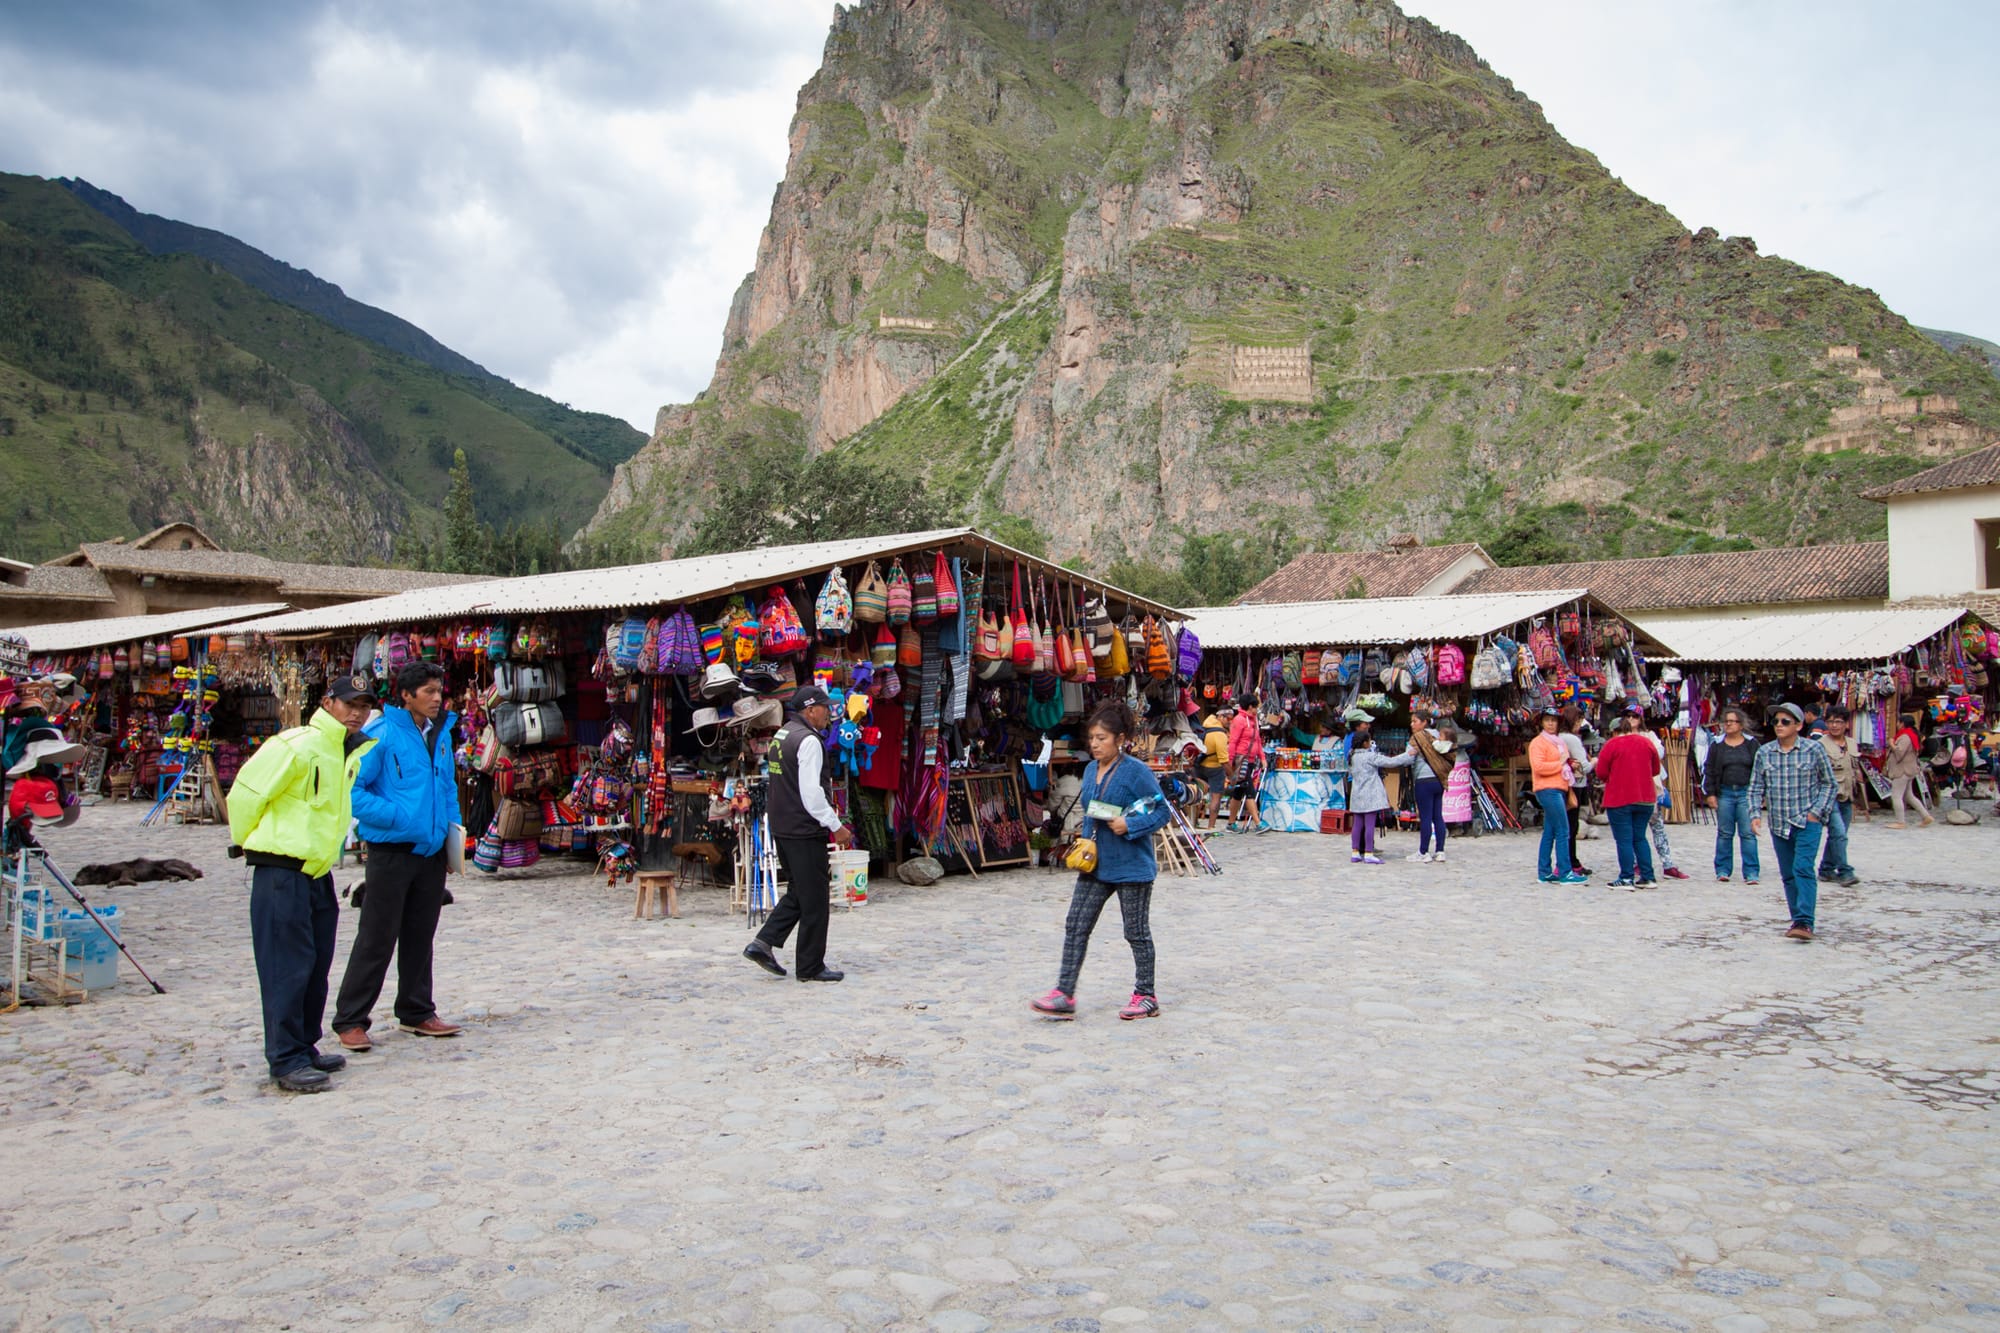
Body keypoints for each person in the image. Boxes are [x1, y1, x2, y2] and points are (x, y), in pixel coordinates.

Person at [225, 671, 377, 1093]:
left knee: (314, 966)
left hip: (317, 872)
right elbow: (245, 795)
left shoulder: (344, 753)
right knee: (285, 968)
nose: (357, 714)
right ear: (329, 703)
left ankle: (303, 1045)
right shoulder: (295, 745)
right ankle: (285, 1057)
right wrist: (255, 844)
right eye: (350, 704)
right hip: (281, 869)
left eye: (364, 707)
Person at [332, 662, 464, 1050]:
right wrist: (398, 817)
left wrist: (452, 835)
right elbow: (353, 790)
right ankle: (351, 1019)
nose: (437, 698)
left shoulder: (440, 734)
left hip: (430, 852)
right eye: (428, 691)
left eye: (439, 691)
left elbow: (447, 788)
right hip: (391, 851)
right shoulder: (381, 734)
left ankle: (417, 1010)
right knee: (377, 936)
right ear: (406, 696)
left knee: (421, 936)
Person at [1032, 700, 1173, 1020]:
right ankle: (1064, 993)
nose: (1095, 744)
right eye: (1092, 738)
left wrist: (1131, 824)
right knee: (1076, 924)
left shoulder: (1137, 772)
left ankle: (1145, 995)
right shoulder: (1091, 769)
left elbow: (1161, 810)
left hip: (1132, 866)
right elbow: (1093, 808)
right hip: (1097, 864)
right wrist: (1085, 838)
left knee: (1135, 931)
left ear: (1120, 739)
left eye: (1102, 738)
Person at [743, 686, 854, 982]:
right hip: (804, 829)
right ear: (811, 710)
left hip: (782, 825)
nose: (829, 713)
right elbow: (811, 794)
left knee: (799, 890)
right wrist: (836, 826)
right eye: (824, 707)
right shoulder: (808, 741)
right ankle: (810, 966)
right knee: (815, 898)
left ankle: (762, 943)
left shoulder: (783, 735)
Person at [1747, 702, 1838, 942]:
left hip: (1806, 821)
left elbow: (1829, 783)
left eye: (1785, 722)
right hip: (1779, 822)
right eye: (1776, 721)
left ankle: (1805, 921)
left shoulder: (1813, 750)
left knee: (1803, 868)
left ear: (1798, 725)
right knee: (1788, 873)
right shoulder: (1764, 752)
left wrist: (1816, 812)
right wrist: (1754, 814)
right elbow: (1756, 786)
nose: (1779, 725)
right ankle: (1796, 917)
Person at [1596, 715, 1663, 888]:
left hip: (1620, 798)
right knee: (1639, 837)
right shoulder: (1646, 742)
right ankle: (1648, 876)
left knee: (1624, 839)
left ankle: (1626, 877)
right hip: (1645, 798)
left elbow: (1601, 772)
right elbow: (1655, 769)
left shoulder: (1611, 745)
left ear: (1613, 731)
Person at [1529, 709, 1589, 884]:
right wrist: (1560, 762)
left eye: (1553, 721)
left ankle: (1544, 871)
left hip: (1559, 787)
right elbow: (1539, 767)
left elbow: (1561, 761)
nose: (1550, 724)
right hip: (1548, 788)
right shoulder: (1538, 743)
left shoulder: (1559, 743)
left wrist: (1570, 764)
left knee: (1550, 831)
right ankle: (1565, 871)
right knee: (1564, 830)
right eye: (1547, 720)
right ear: (1541, 723)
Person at [1705, 706, 1760, 884]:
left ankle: (1751, 872)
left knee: (1748, 833)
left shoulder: (1751, 744)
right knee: (1724, 833)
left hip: (1746, 793)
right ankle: (1722, 869)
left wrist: (1760, 794)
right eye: (1726, 721)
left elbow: (1760, 770)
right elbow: (1710, 769)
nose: (1728, 724)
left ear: (1741, 724)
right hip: (1725, 792)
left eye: (1732, 721)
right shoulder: (1717, 744)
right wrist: (1711, 793)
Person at [1345, 731, 1414, 864]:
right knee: (1370, 825)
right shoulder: (1370, 756)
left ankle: (1355, 852)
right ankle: (1369, 852)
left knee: (1357, 824)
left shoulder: (1351, 756)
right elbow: (1391, 762)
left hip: (1357, 794)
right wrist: (1407, 755)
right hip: (1370, 794)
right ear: (1365, 743)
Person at [1634, 715, 1689, 880]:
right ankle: (1636, 863)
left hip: (1651, 787)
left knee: (1657, 826)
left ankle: (1667, 864)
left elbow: (1658, 752)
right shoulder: (1622, 736)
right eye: (1628, 716)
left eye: (1634, 716)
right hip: (1633, 787)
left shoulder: (1649, 735)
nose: (1631, 719)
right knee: (1635, 830)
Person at [1816, 707, 1862, 887]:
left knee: (1837, 835)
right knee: (1839, 834)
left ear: (1846, 724)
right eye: (1831, 722)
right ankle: (1845, 871)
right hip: (1829, 796)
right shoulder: (1820, 744)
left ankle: (1826, 869)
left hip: (1847, 795)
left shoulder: (1852, 744)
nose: (1834, 726)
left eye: (1838, 722)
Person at [1404, 707, 1454, 863]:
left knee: (1425, 817)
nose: (1412, 724)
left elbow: (1407, 759)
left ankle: (1423, 851)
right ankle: (1440, 851)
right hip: (1438, 780)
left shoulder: (1416, 739)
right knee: (1437, 816)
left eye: (1415, 721)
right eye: (1411, 721)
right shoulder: (1438, 737)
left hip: (1423, 781)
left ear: (1424, 722)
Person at [1556, 707, 1594, 876]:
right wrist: (1595, 762)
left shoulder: (1557, 737)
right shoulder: (1571, 739)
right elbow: (1584, 766)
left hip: (1561, 784)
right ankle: (1570, 862)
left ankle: (1569, 860)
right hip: (1575, 784)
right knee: (1571, 825)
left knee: (1566, 824)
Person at [1882, 712, 1934, 829]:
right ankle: (1926, 816)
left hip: (1902, 770)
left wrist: (1891, 744)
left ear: (1902, 724)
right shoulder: (1912, 735)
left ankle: (1900, 822)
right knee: (1909, 796)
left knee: (1896, 796)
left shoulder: (1905, 737)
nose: (1897, 724)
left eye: (1899, 722)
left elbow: (1899, 753)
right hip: (1909, 770)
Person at [1223, 694, 1263, 832]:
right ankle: (1258, 824)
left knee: (1239, 791)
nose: (1257, 709)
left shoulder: (1254, 721)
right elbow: (1233, 742)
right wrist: (1230, 761)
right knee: (1249, 789)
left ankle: (1231, 823)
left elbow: (1257, 741)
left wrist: (1262, 757)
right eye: (1256, 707)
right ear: (1250, 706)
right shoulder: (1239, 720)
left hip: (1251, 760)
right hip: (1242, 760)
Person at [1197, 701, 1233, 832]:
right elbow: (1223, 760)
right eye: (1228, 718)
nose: (1230, 721)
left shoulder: (1204, 726)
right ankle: (1211, 826)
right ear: (1221, 717)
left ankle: (1195, 821)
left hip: (1199, 765)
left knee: (1197, 794)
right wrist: (1232, 775)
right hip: (1214, 767)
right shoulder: (1220, 735)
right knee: (1216, 797)